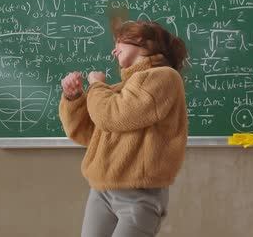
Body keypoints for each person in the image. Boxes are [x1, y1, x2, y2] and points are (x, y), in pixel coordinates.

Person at [59, 20, 189, 237]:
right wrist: (73, 98)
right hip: (102, 190)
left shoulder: (165, 78)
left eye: (120, 42)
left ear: (145, 43)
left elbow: (114, 115)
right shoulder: (121, 88)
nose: (114, 50)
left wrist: (97, 86)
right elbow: (89, 133)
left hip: (139, 193)